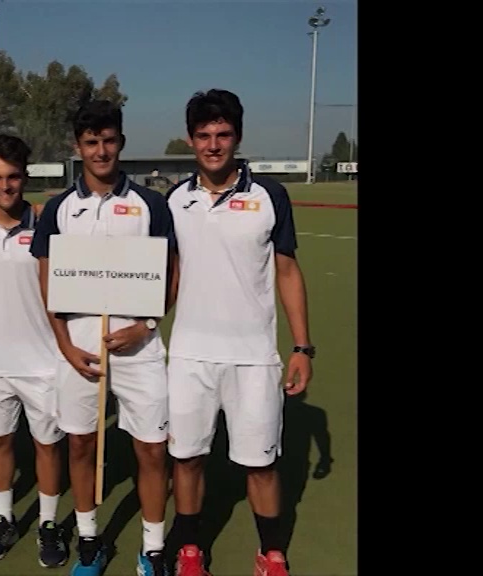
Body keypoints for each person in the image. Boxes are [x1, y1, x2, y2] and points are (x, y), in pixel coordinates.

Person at [164, 89, 313, 576]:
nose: (213, 144)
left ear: (237, 136)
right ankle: (189, 550)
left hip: (253, 358)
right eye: (204, 135)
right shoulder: (176, 199)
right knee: (186, 459)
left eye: (223, 134)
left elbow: (287, 270)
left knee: (261, 464)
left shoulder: (269, 195)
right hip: (189, 356)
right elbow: (170, 276)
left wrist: (301, 347)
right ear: (190, 140)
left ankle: (271, 554)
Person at [29, 100, 175, 576]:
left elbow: (173, 276)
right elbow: (47, 284)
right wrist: (65, 344)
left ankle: (152, 547)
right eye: (91, 142)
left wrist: (147, 326)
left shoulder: (151, 204)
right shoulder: (59, 209)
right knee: (79, 445)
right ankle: (90, 540)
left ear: (121, 142)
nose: (101, 150)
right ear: (78, 146)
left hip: (140, 344)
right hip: (79, 348)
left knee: (152, 447)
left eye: (108, 140)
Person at [0, 135, 69, 568]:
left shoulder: (48, 229)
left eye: (13, 177)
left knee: (47, 446)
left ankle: (47, 522)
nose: (6, 186)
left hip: (43, 361)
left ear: (25, 177)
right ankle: (4, 518)